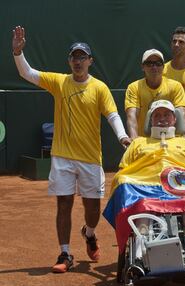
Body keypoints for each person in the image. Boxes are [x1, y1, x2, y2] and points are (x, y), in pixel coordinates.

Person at [12, 26, 131, 273]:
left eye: (82, 57)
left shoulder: (99, 88)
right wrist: (17, 52)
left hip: (90, 158)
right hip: (63, 157)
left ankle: (89, 233)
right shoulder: (58, 82)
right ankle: (65, 253)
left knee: (93, 210)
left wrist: (122, 136)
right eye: (74, 57)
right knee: (63, 204)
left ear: (90, 61)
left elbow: (112, 115)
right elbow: (27, 73)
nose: (78, 61)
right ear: (69, 61)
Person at [120, 100, 185, 277]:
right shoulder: (138, 143)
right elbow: (124, 171)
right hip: (146, 192)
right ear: (150, 120)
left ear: (175, 119)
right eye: (157, 115)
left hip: (179, 192)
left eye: (167, 115)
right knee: (143, 208)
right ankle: (138, 259)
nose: (162, 119)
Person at [125, 49, 185, 139]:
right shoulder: (134, 87)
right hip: (144, 142)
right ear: (143, 67)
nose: (154, 67)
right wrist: (134, 143)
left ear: (163, 66)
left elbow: (182, 114)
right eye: (149, 63)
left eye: (158, 63)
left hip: (171, 140)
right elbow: (131, 116)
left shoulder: (175, 86)